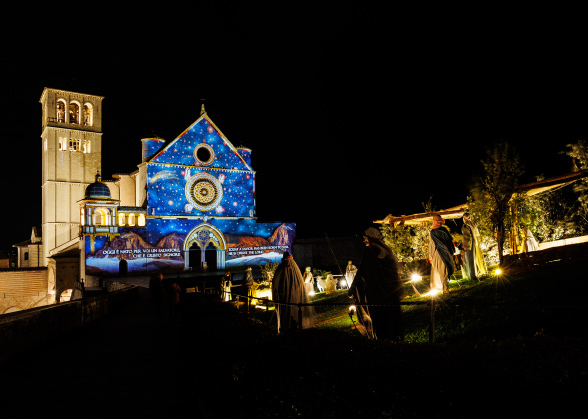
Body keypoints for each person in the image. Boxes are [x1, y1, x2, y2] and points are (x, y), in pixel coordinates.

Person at [348, 227, 403, 341]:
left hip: (376, 291)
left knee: (379, 315)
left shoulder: (369, 251)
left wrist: (352, 288)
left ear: (369, 238)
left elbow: (362, 271)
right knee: (391, 315)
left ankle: (381, 338)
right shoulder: (387, 252)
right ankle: (395, 336)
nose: (365, 240)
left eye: (366, 238)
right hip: (390, 291)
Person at [271, 252, 314, 333]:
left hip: (286, 295)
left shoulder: (283, 268)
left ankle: (289, 325)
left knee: (289, 310)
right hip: (286, 295)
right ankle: (289, 325)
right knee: (288, 310)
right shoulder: (290, 269)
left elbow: (275, 282)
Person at [428, 214, 456, 293]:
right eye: (437, 221)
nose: (438, 223)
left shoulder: (434, 232)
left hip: (439, 253)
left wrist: (431, 256)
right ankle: (444, 287)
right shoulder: (443, 229)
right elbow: (450, 241)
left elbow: (432, 245)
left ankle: (445, 288)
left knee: (442, 270)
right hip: (446, 252)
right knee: (443, 270)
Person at [461, 212, 487, 281]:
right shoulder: (474, 224)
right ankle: (477, 272)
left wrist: (464, 247)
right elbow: (478, 234)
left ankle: (472, 275)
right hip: (476, 243)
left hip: (470, 243)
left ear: (464, 218)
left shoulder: (466, 225)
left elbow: (466, 236)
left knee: (470, 259)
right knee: (475, 258)